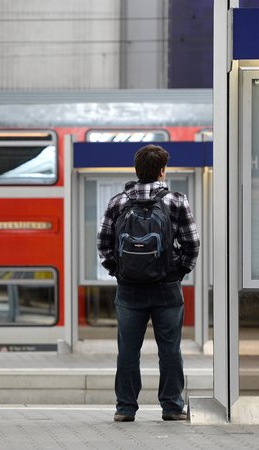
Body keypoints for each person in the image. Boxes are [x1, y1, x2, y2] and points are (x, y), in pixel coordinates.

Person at [97, 144, 199, 423]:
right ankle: (172, 407)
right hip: (167, 286)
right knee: (170, 349)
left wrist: (117, 271)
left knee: (128, 350)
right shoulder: (176, 200)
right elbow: (192, 242)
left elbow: (103, 244)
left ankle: (125, 408)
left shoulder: (118, 201)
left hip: (129, 289)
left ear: (137, 171)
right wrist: (180, 270)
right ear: (162, 171)